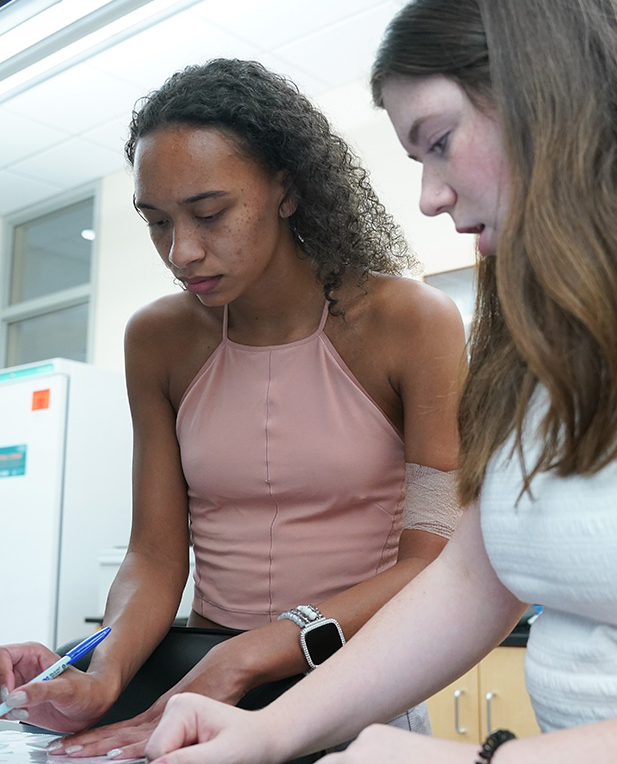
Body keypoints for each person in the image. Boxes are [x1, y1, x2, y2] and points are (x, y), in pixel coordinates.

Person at [132, 0, 617, 762]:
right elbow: (470, 578)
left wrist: (488, 761)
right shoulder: (545, 308)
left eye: (440, 144)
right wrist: (268, 731)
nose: (430, 196)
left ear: (548, 89)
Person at [0, 59, 466, 760]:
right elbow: (155, 555)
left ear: (287, 189)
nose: (182, 251)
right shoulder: (157, 339)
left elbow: (435, 558)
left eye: (210, 214)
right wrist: (104, 675)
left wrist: (251, 653)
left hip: (356, 683)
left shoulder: (411, 322)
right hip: (201, 681)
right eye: (158, 222)